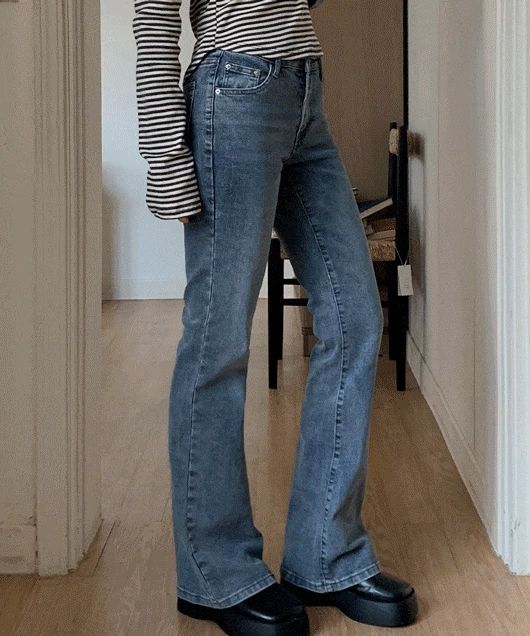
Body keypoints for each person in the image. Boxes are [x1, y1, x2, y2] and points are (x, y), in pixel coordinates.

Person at [132, 1, 419, 634]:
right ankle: (214, 572)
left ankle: (326, 555)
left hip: (304, 92)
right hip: (233, 89)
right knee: (218, 340)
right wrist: (167, 157)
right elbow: (153, 13)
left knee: (355, 318)